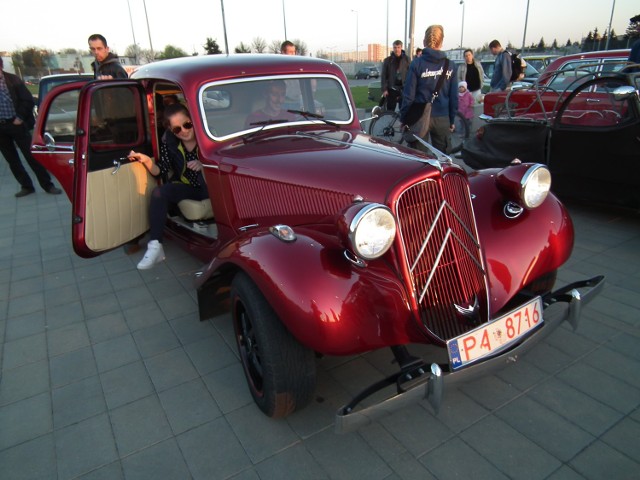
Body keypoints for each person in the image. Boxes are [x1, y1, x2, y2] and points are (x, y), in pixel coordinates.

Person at [128, 103, 208, 269]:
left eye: (187, 125)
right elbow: (160, 170)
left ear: (193, 120)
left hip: (210, 187)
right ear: (172, 131)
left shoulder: (207, 136)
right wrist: (146, 160)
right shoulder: (170, 143)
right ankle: (155, 245)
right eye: (177, 129)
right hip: (188, 188)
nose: (184, 131)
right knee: (159, 192)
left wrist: (204, 165)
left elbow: (222, 162)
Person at [0, 57, 62, 197]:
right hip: (1, 128)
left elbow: (27, 100)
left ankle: (48, 185)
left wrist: (20, 117)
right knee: (12, 160)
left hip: (16, 124)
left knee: (32, 156)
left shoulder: (13, 80)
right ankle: (26, 186)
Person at [400, 25, 457, 153]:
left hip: (419, 116)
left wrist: (404, 119)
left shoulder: (417, 64)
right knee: (442, 158)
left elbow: (408, 95)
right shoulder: (451, 65)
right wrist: (451, 120)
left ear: (424, 42)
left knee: (419, 159)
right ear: (441, 42)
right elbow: (454, 97)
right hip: (442, 116)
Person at [381, 40, 410, 111]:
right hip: (392, 89)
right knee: (390, 110)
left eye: (398, 47)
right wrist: (384, 89)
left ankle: (402, 122)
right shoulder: (388, 60)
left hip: (403, 88)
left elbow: (410, 74)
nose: (396, 49)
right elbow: (384, 75)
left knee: (404, 110)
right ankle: (390, 121)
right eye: (395, 47)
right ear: (393, 48)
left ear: (401, 47)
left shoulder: (407, 59)